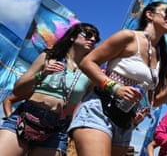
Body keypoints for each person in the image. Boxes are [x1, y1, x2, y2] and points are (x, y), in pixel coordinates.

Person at [68, 1, 167, 156]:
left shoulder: (160, 58)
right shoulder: (129, 37)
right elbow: (87, 62)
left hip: (124, 122)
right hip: (98, 111)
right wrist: (115, 87)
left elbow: (153, 102)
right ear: (150, 15)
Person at [0, 22, 100, 156]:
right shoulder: (48, 57)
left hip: (57, 128)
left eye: (96, 39)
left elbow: (84, 104)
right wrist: (42, 74)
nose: (93, 40)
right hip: (27, 117)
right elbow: (17, 90)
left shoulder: (91, 71)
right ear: (72, 37)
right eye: (88, 35)